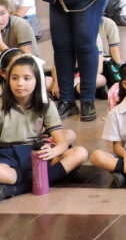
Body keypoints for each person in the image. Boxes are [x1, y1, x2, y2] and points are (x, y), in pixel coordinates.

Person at [0, 55, 88, 200]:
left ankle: (19, 187)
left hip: (34, 153)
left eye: (26, 78)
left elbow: (62, 142)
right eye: (14, 78)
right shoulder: (2, 104)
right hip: (6, 154)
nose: (19, 83)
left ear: (37, 80)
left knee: (80, 153)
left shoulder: (46, 104)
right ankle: (40, 178)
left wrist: (53, 151)